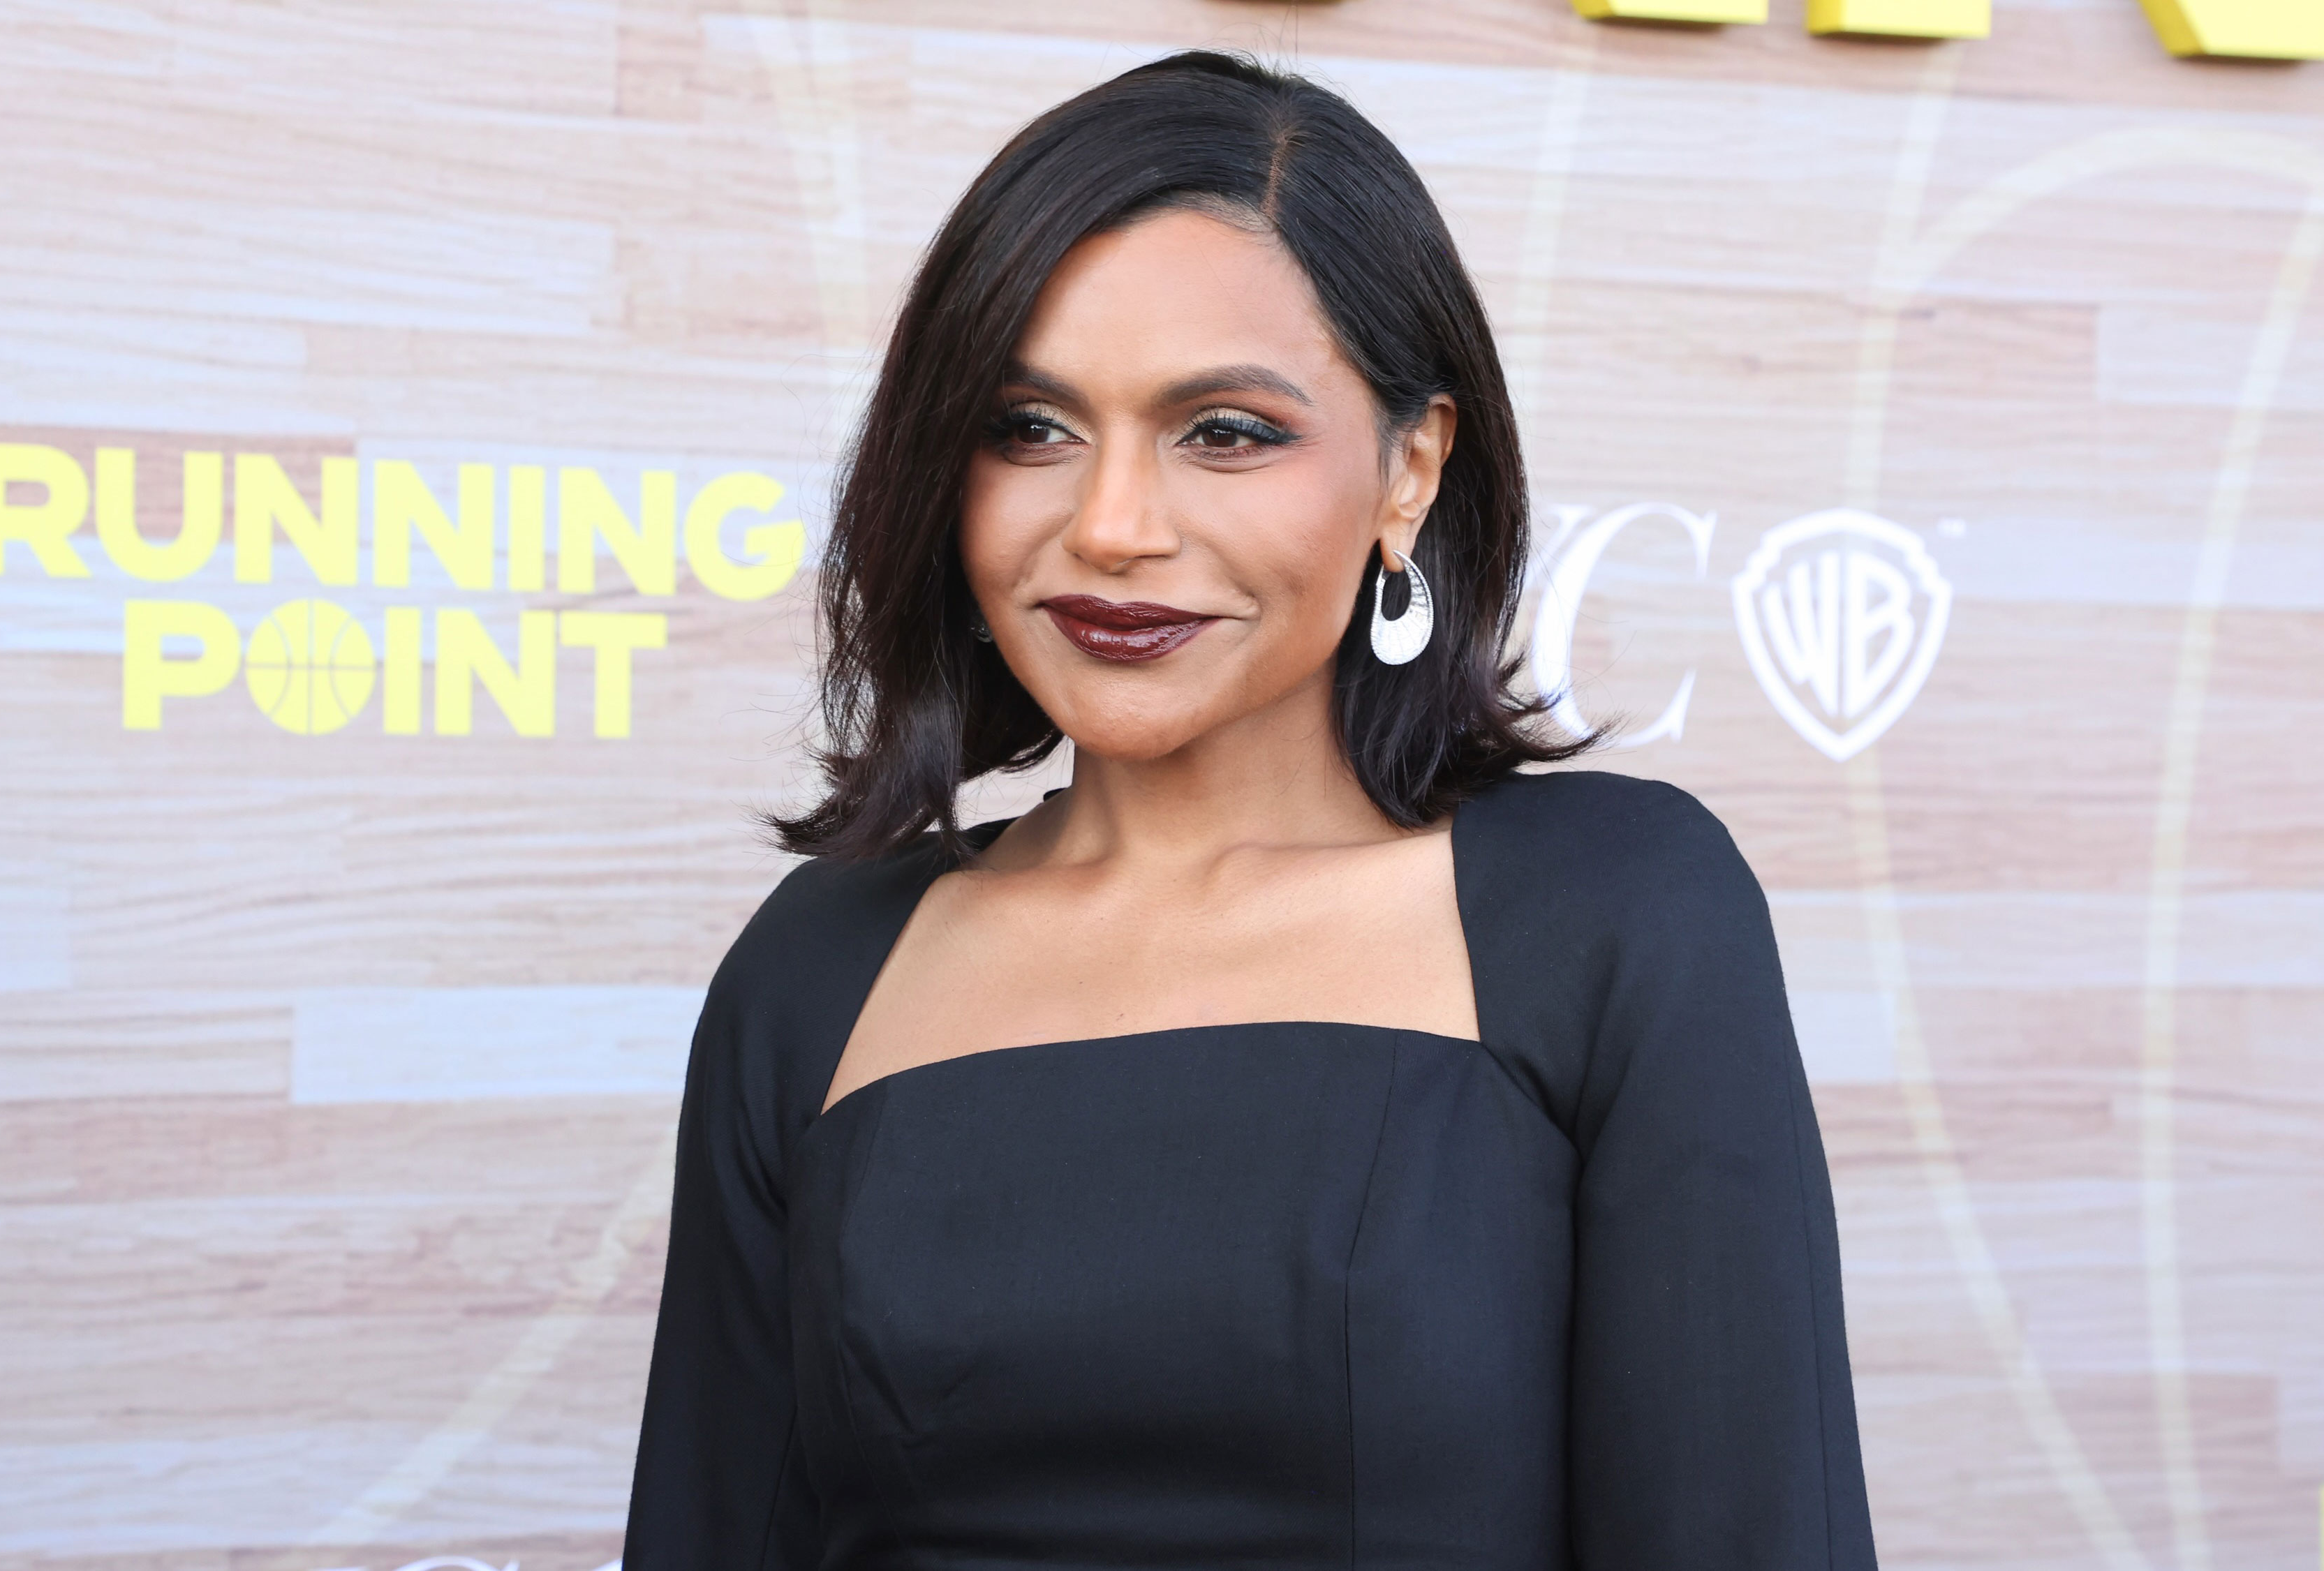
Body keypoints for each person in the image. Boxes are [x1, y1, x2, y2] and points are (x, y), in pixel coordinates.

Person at [624, 50, 1874, 1571]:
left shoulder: (1616, 915)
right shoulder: (822, 965)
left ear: (1410, 466)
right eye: (1029, 427)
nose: (1112, 527)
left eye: (1225, 431)